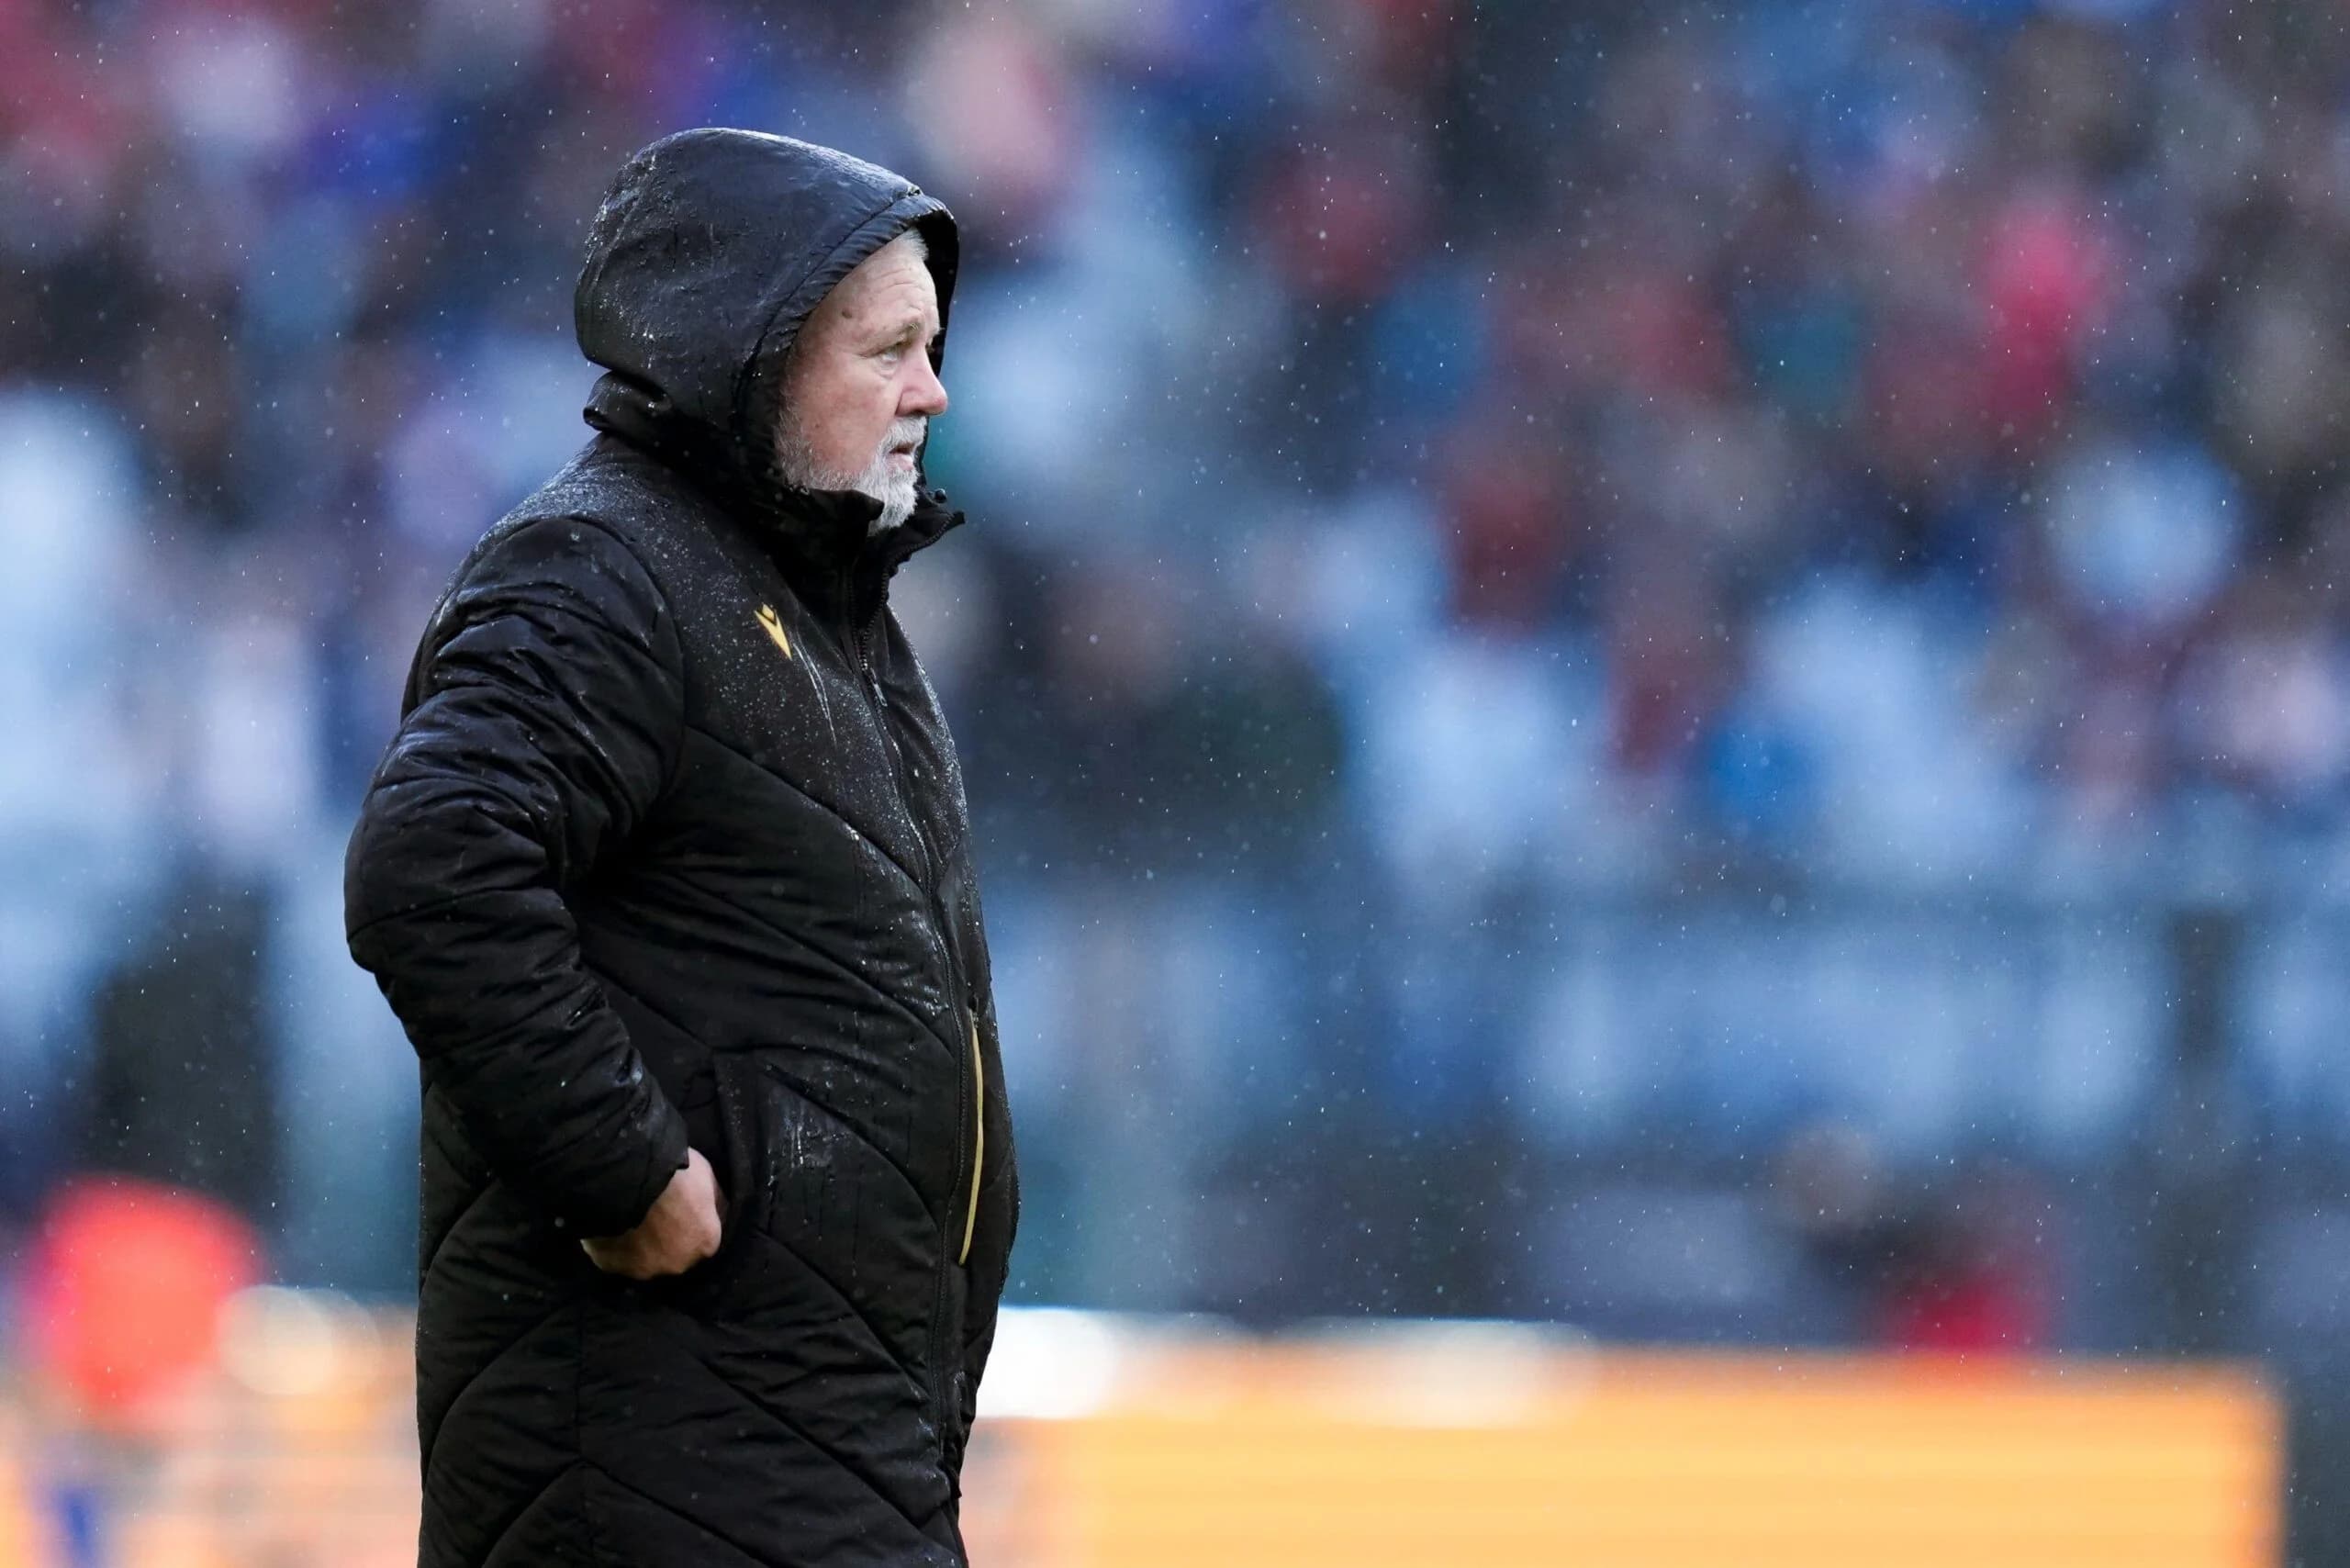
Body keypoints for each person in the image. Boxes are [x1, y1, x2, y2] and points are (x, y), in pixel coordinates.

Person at [344, 128, 1018, 1568]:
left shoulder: (818, 608)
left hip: (790, 1455)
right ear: (752, 353)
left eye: (933, 345)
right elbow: (435, 865)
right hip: (664, 1470)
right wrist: (621, 1167)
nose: (932, 391)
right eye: (887, 349)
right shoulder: (604, 570)